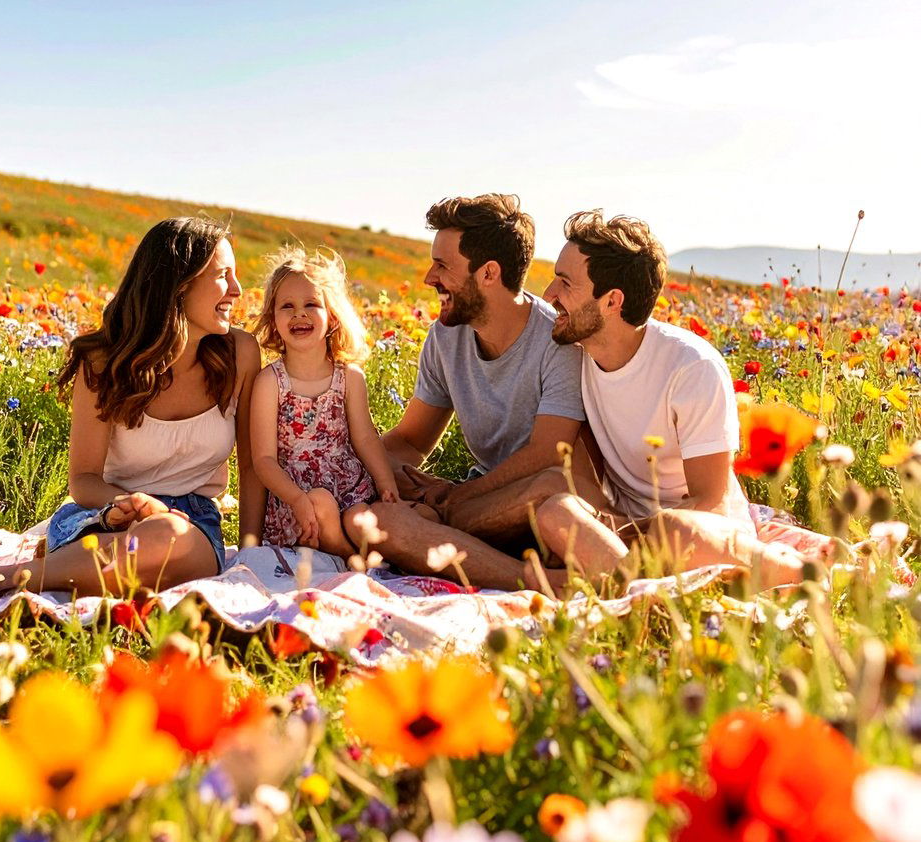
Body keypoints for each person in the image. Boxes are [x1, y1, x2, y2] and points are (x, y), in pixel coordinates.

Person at [0, 217, 264, 596]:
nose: (237, 289)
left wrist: (250, 551)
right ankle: (18, 575)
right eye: (223, 275)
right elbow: (83, 480)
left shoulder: (240, 354)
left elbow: (251, 466)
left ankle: (36, 575)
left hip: (192, 523)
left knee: (172, 538)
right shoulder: (103, 362)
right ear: (179, 284)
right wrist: (131, 505)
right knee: (159, 552)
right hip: (108, 513)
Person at [519, 210, 808, 586]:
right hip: (623, 532)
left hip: (698, 534)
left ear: (612, 301)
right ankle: (631, 583)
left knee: (674, 529)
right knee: (554, 512)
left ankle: (810, 573)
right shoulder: (574, 358)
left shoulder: (690, 366)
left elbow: (711, 501)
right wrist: (612, 528)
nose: (549, 294)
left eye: (565, 283)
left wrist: (640, 534)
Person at [382, 194, 585, 550]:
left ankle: (450, 536)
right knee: (381, 516)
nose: (429, 278)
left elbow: (548, 455)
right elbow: (411, 441)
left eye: (442, 266)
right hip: (479, 496)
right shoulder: (445, 337)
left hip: (544, 503)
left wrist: (457, 496)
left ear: (489, 273)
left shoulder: (559, 342)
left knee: (411, 527)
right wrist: (351, 462)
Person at [251, 247, 400, 554]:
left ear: (332, 316)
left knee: (361, 520)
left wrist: (387, 485)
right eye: (287, 306)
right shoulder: (270, 382)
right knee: (321, 504)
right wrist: (296, 499)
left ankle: (351, 548)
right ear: (273, 318)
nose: (299, 314)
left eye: (311, 304)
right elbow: (263, 460)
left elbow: (365, 438)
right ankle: (347, 554)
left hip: (350, 487)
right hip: (298, 497)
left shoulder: (349, 377)